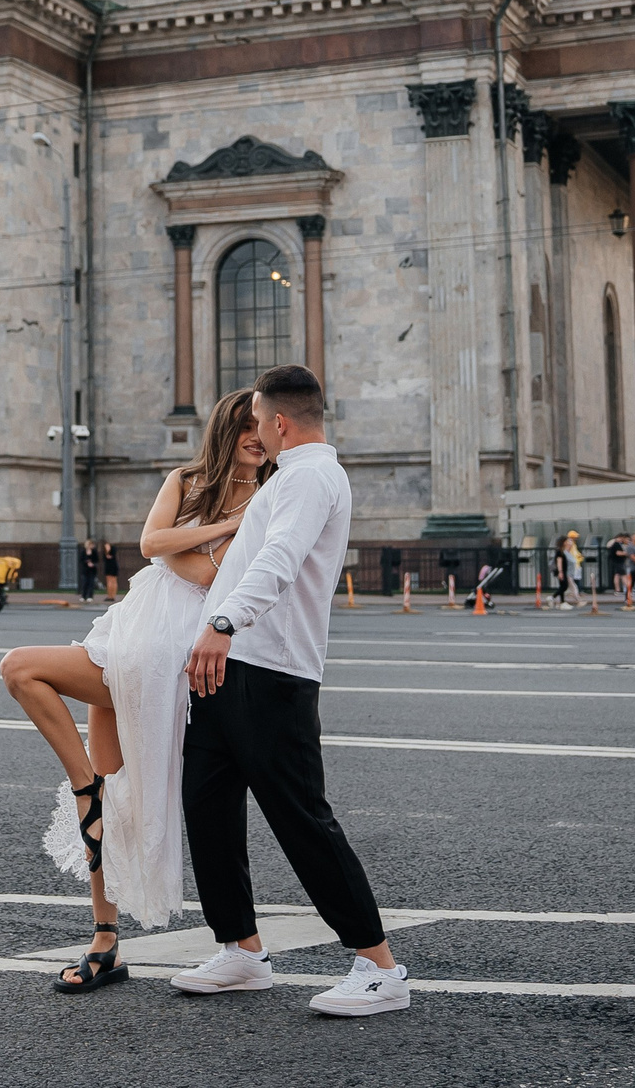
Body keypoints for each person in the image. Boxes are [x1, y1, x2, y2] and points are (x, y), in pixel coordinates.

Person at [0, 390, 265, 991]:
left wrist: (184, 546)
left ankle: (87, 794)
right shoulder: (187, 480)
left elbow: (213, 576)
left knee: (22, 669)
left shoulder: (269, 495)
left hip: (171, 654)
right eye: (244, 425)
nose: (256, 435)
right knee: (104, 789)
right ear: (225, 429)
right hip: (124, 637)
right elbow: (150, 545)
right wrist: (225, 527)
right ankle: (104, 936)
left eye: (262, 426)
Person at [173, 365, 406, 1017]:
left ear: (279, 421)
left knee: (301, 818)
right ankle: (242, 951)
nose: (254, 431)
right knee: (208, 809)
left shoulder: (310, 477)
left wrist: (223, 623)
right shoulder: (290, 477)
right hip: (229, 667)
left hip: (271, 671)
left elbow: (280, 558)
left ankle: (380, 967)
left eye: (256, 420)